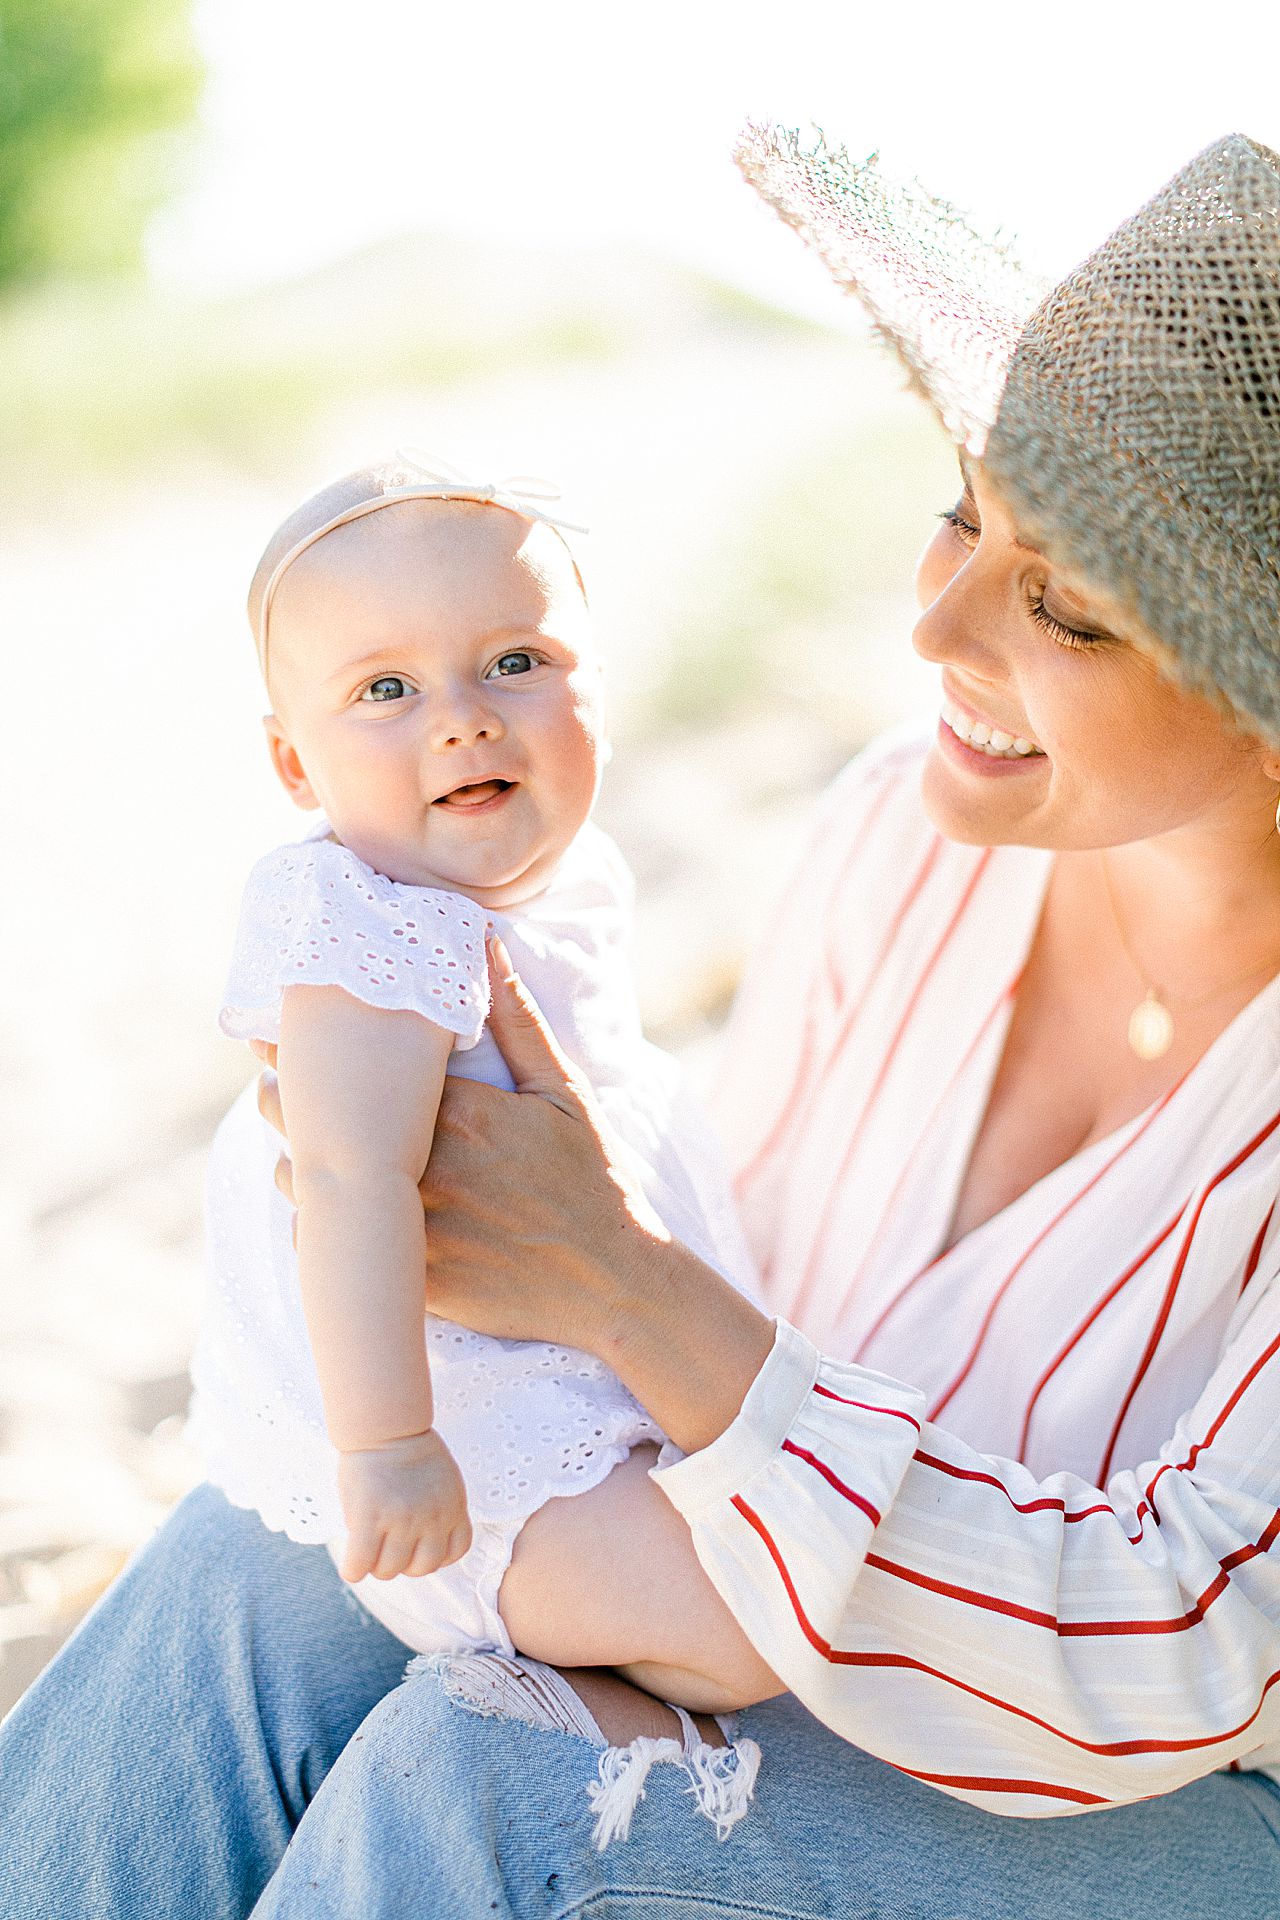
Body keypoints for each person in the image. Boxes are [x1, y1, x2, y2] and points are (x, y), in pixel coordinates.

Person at [4, 125, 1280, 1920]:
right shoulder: (897, 837)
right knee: (273, 1554)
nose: (935, 619)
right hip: (806, 1595)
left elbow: (1182, 1658)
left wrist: (612, 1282)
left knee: (511, 1775)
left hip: (1184, 1796)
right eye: (960, 510)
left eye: (1065, 600)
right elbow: (733, 1265)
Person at [190, 454, 778, 1807]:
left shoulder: (570, 879)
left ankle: (567, 1691)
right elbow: (344, 1176)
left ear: (597, 700)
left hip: (567, 1378)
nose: (461, 720)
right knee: (750, 1624)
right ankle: (508, 1703)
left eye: (514, 661)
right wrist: (390, 1444)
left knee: (774, 1575)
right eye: (384, 690)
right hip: (468, 1443)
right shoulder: (363, 920)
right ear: (295, 762)